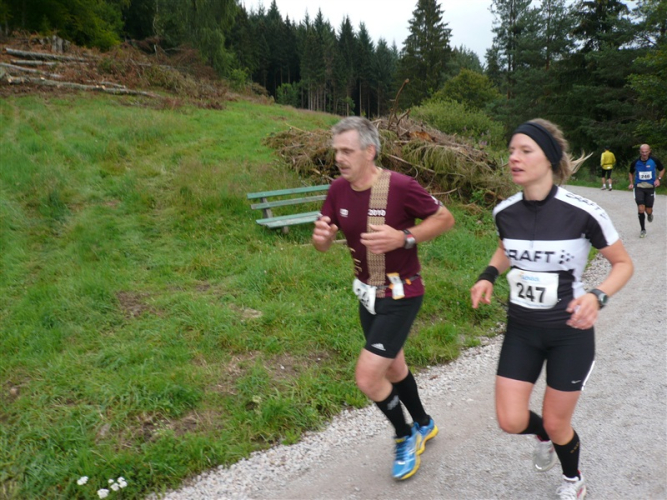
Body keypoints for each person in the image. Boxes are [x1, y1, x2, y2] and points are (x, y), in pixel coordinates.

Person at [470, 119, 633, 500]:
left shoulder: (583, 212)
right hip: (522, 330)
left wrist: (597, 296)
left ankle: (573, 478)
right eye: (511, 151)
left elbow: (623, 264)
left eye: (525, 151)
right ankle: (541, 433)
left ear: (549, 158)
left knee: (560, 423)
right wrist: (488, 275)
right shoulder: (505, 212)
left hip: (569, 333)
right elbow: (506, 248)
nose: (514, 158)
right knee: (510, 420)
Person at [312, 116, 455, 480]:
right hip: (367, 294)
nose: (339, 158)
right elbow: (323, 243)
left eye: (347, 151)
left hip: (402, 292)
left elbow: (444, 219)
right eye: (336, 151)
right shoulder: (337, 190)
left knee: (367, 376)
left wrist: (404, 237)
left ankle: (404, 434)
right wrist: (322, 239)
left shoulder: (401, 186)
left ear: (369, 151)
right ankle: (424, 423)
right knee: (393, 367)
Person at [628, 144, 664, 238]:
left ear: (649, 151)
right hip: (639, 187)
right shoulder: (635, 162)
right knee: (641, 208)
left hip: (650, 187)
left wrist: (658, 179)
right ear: (640, 152)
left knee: (648, 210)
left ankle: (649, 214)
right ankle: (643, 229)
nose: (644, 154)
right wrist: (631, 183)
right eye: (642, 152)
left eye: (646, 152)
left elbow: (662, 169)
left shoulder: (654, 160)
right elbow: (631, 172)